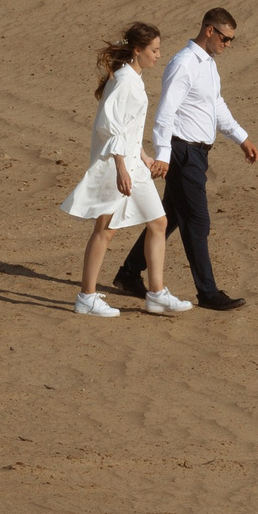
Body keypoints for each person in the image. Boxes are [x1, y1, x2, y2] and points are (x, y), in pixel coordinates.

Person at [114, 6, 257, 310]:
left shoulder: (208, 65)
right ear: (209, 30)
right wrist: (163, 155)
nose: (228, 44)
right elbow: (165, 114)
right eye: (225, 38)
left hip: (198, 153)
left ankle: (128, 273)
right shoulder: (184, 63)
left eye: (231, 40)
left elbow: (216, 105)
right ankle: (207, 292)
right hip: (183, 151)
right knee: (197, 221)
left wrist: (241, 137)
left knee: (172, 217)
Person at [60, 22, 191, 319]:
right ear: (137, 51)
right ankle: (86, 297)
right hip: (115, 166)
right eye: (154, 50)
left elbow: (129, 129)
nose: (158, 55)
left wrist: (144, 157)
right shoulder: (123, 81)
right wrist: (121, 167)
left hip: (133, 165)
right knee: (105, 231)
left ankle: (156, 294)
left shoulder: (134, 79)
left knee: (158, 223)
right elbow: (108, 126)